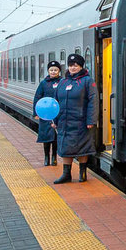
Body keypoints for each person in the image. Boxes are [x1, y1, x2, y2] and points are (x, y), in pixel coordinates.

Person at [51, 53, 97, 184]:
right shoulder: (63, 82)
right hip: (64, 121)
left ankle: (83, 174)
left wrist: (91, 120)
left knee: (82, 148)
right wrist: (54, 120)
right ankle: (66, 174)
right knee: (65, 148)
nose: (73, 68)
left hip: (81, 121)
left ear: (81, 66)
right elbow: (55, 102)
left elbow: (93, 101)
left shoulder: (87, 81)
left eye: (75, 65)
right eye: (71, 65)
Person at [33, 60, 62, 167]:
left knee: (55, 137)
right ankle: (46, 157)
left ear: (59, 71)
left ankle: (54, 157)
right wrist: (35, 112)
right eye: (51, 70)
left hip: (57, 114)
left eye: (55, 70)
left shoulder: (62, 82)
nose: (53, 72)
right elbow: (37, 97)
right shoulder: (43, 83)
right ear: (48, 71)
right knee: (46, 137)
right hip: (45, 114)